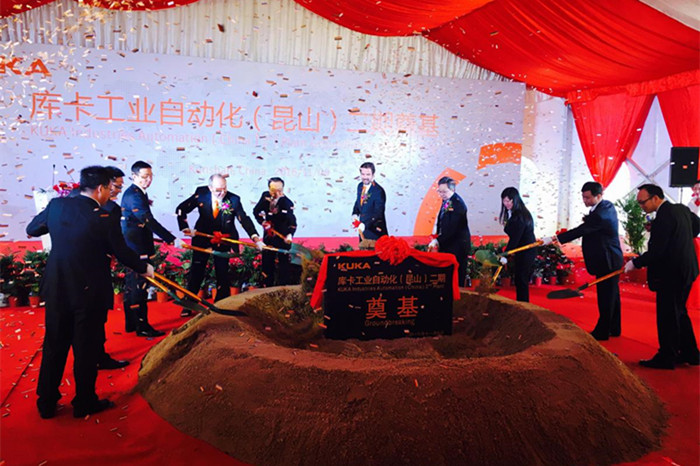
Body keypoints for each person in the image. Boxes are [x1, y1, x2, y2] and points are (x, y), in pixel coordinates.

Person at [26, 166, 153, 419]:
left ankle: (46, 402)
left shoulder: (57, 205)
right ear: (101, 188)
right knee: (86, 347)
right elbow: (121, 251)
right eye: (110, 188)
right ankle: (84, 401)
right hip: (90, 291)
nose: (111, 193)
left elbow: (33, 229)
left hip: (58, 286)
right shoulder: (104, 216)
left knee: (54, 344)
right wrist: (145, 268)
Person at [624, 183, 700, 369]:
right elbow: (696, 226)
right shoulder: (680, 209)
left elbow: (657, 251)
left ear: (655, 198)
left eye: (643, 203)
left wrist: (636, 263)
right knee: (679, 311)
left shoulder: (664, 218)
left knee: (668, 315)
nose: (641, 207)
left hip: (671, 273)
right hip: (687, 269)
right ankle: (690, 353)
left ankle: (667, 356)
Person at [544, 181, 623, 341]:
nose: (585, 201)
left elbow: (582, 230)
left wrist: (555, 238)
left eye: (588, 198)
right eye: (583, 197)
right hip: (608, 258)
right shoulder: (606, 207)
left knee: (606, 296)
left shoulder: (601, 213)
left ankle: (603, 331)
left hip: (607, 259)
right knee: (612, 294)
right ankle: (614, 327)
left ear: (599, 196)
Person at [176, 174, 263, 315]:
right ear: (210, 188)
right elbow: (181, 209)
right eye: (218, 190)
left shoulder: (234, 199)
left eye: (224, 189)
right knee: (197, 271)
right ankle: (189, 302)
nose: (222, 193)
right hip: (203, 238)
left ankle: (221, 303)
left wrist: (255, 238)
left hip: (224, 238)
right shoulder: (201, 193)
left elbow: (244, 218)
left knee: (222, 272)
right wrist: (185, 227)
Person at [121, 161, 176, 337]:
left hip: (134, 245)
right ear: (134, 176)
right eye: (144, 177)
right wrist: (170, 238)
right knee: (139, 287)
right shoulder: (134, 195)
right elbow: (147, 220)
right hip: (136, 248)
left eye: (150, 176)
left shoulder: (138, 193)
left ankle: (132, 324)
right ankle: (142, 326)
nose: (148, 180)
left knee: (132, 286)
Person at [253, 177, 297, 287]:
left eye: (279, 190)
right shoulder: (265, 196)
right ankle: (267, 287)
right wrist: (263, 222)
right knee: (267, 264)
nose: (276, 193)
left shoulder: (287, 203)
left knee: (283, 266)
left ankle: (283, 288)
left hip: (283, 237)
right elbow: (256, 211)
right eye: (273, 190)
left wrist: (289, 235)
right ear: (269, 189)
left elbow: (292, 222)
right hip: (269, 236)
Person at [428, 176, 471, 287]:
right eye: (439, 191)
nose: (441, 194)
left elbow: (452, 228)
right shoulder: (447, 200)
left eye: (444, 191)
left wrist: (438, 240)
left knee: (456, 279)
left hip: (458, 245)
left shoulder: (458, 204)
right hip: (449, 243)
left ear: (453, 189)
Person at [498, 187, 536, 302]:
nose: (506, 203)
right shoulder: (514, 213)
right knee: (519, 279)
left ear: (515, 200)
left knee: (521, 279)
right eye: (504, 201)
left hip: (526, 250)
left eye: (509, 201)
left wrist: (506, 254)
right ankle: (521, 303)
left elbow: (515, 238)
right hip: (521, 250)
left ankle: (523, 305)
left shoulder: (520, 215)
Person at [352, 162, 387, 246]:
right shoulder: (360, 186)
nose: (365, 177)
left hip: (375, 231)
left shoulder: (378, 191)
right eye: (363, 174)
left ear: (373, 175)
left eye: (368, 174)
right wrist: (355, 213)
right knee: (363, 252)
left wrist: (365, 225)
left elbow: (378, 213)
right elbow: (359, 202)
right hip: (362, 230)